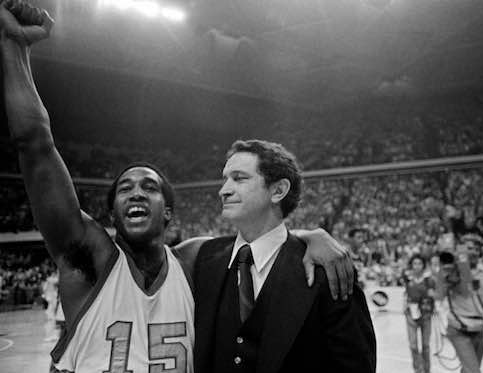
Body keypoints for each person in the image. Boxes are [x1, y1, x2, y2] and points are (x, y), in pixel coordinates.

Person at [0, 3, 355, 372]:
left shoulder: (193, 262)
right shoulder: (88, 259)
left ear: (168, 211)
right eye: (124, 188)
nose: (136, 192)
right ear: (112, 215)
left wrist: (311, 236)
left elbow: (263, 241)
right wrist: (14, 46)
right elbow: (35, 144)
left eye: (149, 187)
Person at [194, 140, 377, 373]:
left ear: (278, 190)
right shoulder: (203, 259)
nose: (224, 190)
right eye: (225, 179)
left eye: (239, 178)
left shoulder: (328, 270)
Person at [435, 250, 483, 373]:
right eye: (467, 248)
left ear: (479, 253)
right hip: (458, 327)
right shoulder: (452, 273)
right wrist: (448, 273)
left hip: (480, 327)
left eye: (474, 249)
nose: (471, 253)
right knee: (473, 370)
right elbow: (439, 294)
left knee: (470, 368)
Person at [402, 254, 435, 373]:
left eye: (419, 264)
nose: (417, 266)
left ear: (423, 266)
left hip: (425, 315)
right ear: (411, 265)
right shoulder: (407, 278)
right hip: (411, 314)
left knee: (425, 346)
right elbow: (405, 293)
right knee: (413, 345)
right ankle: (417, 370)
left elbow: (433, 296)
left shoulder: (429, 280)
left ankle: (427, 370)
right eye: (414, 264)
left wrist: (432, 306)